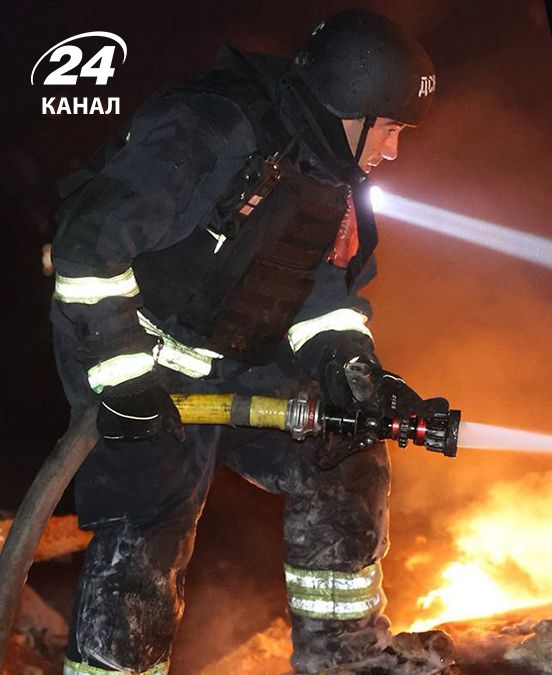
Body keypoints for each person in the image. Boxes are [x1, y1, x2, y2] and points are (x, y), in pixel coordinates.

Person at [49, 10, 450, 674]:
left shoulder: (333, 180)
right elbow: (87, 251)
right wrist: (120, 376)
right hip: (128, 351)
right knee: (149, 525)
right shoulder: (208, 130)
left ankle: (342, 655)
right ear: (351, 108)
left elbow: (326, 294)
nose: (393, 151)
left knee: (343, 451)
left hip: (233, 359)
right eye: (391, 129)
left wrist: (352, 370)